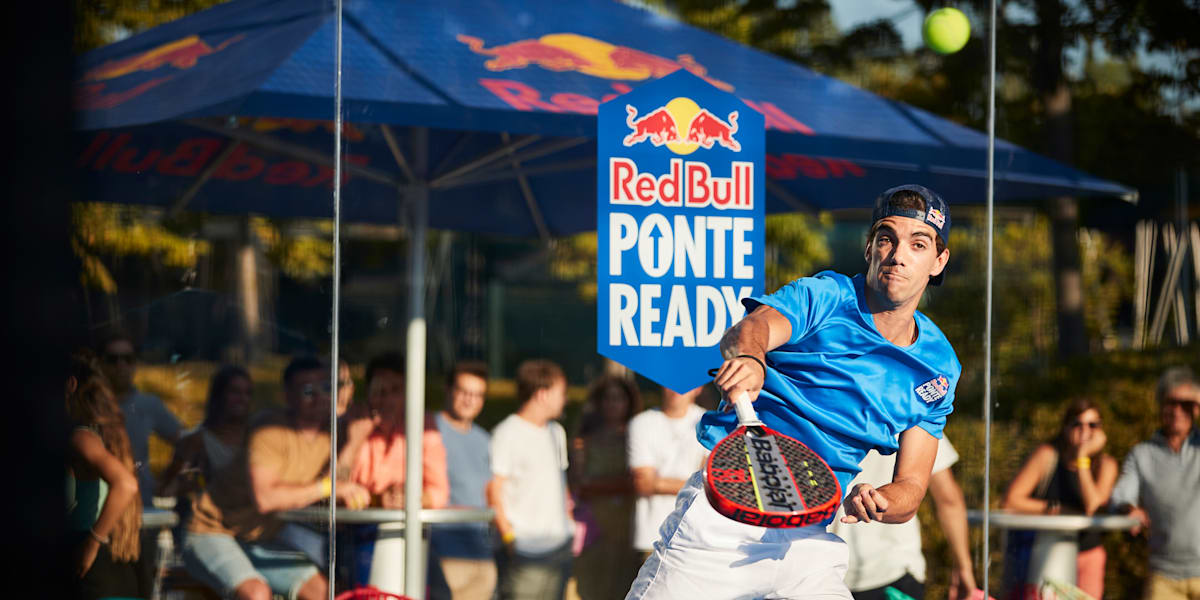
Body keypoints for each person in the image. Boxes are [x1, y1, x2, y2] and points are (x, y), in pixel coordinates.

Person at [627, 184, 960, 600]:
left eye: (918, 244)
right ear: (869, 248)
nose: (898, 255)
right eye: (886, 238)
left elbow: (911, 487)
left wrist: (883, 500)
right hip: (723, 523)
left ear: (938, 261)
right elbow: (753, 328)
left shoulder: (939, 367)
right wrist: (751, 360)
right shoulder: (826, 295)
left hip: (811, 541)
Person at [181, 356, 372, 600]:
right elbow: (266, 499)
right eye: (308, 391)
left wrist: (355, 441)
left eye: (326, 387)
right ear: (287, 396)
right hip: (210, 530)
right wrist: (329, 487)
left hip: (260, 538)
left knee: (326, 593)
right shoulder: (269, 429)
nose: (319, 397)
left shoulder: (331, 432)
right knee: (256, 593)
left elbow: (334, 488)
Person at [828, 437, 979, 600]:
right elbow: (948, 500)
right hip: (895, 571)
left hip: (826, 571)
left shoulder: (818, 420)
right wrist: (964, 567)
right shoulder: (918, 423)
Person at [1001, 398, 1118, 599]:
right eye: (1077, 424)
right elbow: (1010, 501)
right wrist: (1055, 509)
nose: (1084, 431)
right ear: (1065, 427)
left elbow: (1092, 505)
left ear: (1101, 430)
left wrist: (1082, 457)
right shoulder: (1047, 455)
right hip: (1046, 552)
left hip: (1087, 555)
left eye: (1092, 425)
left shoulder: (1106, 465)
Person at [1110, 367, 1200, 600]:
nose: (1178, 411)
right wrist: (1130, 509)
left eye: (1186, 404)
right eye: (1171, 403)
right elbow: (1121, 495)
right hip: (1165, 577)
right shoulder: (1142, 454)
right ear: (1160, 405)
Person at [489, 359, 576, 600]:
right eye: (561, 393)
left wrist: (569, 526)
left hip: (560, 550)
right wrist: (509, 538)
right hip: (523, 554)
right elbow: (493, 491)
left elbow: (561, 485)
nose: (565, 399)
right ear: (542, 394)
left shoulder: (556, 432)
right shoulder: (506, 433)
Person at [66, 349, 146, 600]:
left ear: (70, 384)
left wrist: (92, 543)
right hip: (120, 570)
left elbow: (126, 484)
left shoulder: (81, 437)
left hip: (91, 571)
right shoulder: (107, 436)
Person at [429, 360, 498, 600]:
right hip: (442, 554)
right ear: (448, 390)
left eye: (477, 395)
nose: (470, 400)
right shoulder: (429, 429)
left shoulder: (485, 440)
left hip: (481, 554)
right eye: (464, 392)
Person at [570, 375, 642, 600]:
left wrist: (603, 485)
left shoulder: (637, 436)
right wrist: (621, 485)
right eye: (608, 398)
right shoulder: (585, 439)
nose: (613, 404)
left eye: (619, 398)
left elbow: (638, 482)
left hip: (628, 528)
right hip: (594, 529)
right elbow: (579, 484)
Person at [350, 352, 450, 509]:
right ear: (367, 393)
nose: (387, 399)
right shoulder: (352, 421)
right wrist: (377, 500)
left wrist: (412, 499)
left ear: (407, 394)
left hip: (406, 522)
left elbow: (439, 491)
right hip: (355, 521)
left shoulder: (423, 426)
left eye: (395, 390)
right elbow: (336, 487)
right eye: (379, 391)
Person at [97, 330, 183, 505]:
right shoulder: (90, 405)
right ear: (101, 364)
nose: (121, 365)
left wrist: (168, 479)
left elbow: (187, 442)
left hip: (140, 505)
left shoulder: (148, 404)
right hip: (97, 507)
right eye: (113, 359)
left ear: (135, 363)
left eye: (127, 359)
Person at [627, 384, 708, 564]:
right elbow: (643, 485)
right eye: (671, 382)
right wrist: (694, 484)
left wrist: (657, 482)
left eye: (684, 382)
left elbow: (710, 485)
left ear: (699, 388)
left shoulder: (709, 423)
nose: (677, 388)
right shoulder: (641, 423)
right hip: (651, 539)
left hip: (695, 538)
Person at [158, 366, 254, 501]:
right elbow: (164, 488)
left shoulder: (257, 437)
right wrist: (195, 484)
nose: (242, 399)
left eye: (247, 393)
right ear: (219, 395)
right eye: (235, 392)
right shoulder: (196, 441)